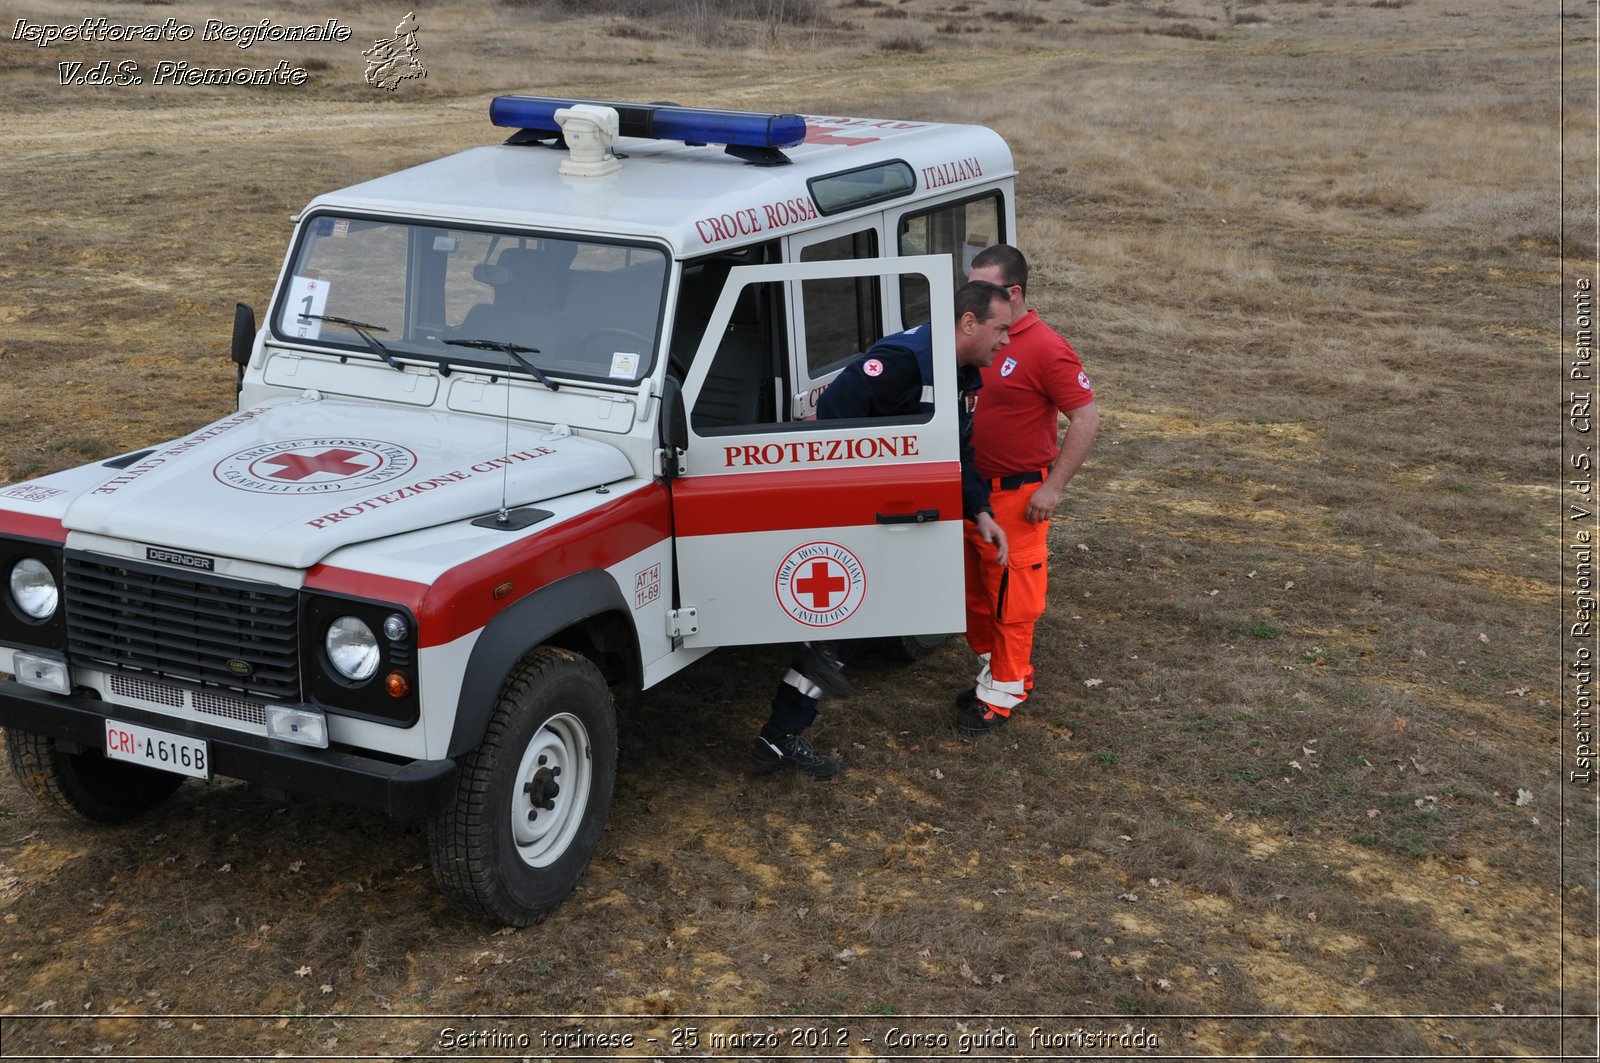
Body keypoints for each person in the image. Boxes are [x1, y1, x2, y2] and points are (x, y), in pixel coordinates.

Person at [752, 280, 1015, 778]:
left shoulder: (955, 370)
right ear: (968, 324)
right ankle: (783, 729)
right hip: (861, 515)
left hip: (900, 514)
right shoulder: (904, 362)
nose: (1006, 342)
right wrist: (867, 492)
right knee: (844, 625)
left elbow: (954, 449)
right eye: (1000, 330)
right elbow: (835, 420)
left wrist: (980, 510)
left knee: (849, 631)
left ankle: (781, 733)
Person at [956, 245, 1100, 736]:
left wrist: (1053, 488)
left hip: (1018, 498)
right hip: (973, 494)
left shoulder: (1045, 347)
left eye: (985, 289)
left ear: (1013, 293)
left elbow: (1085, 417)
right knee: (977, 596)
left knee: (1012, 602)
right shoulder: (973, 336)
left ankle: (1001, 694)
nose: (970, 300)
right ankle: (998, 675)